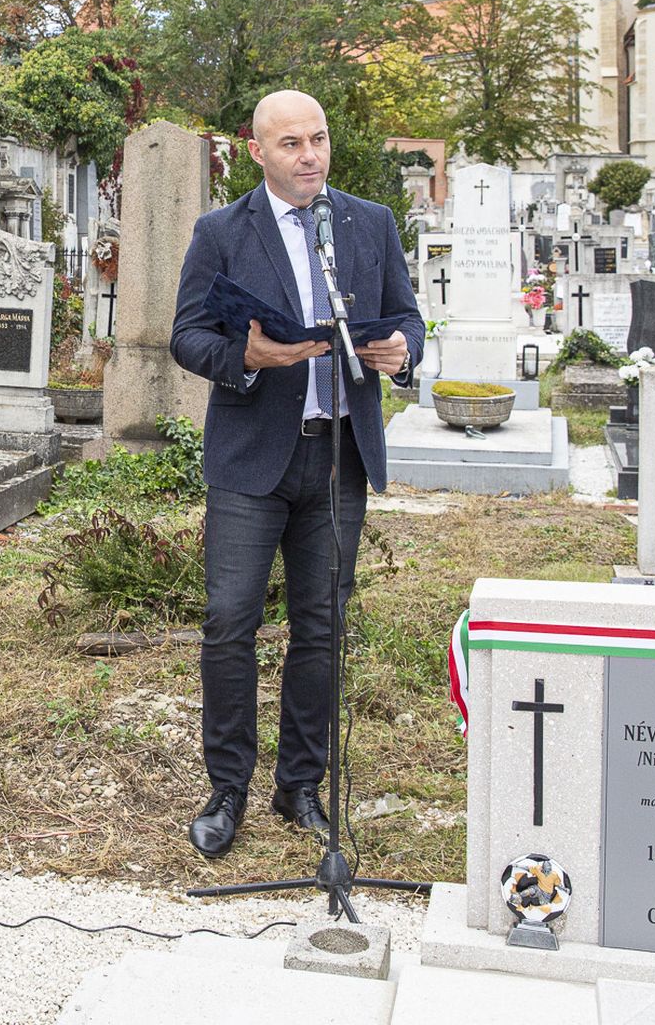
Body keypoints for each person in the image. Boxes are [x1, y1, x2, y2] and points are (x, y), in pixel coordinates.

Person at [168, 88, 424, 859]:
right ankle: (228, 787)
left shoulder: (368, 222)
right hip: (253, 459)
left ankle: (301, 785)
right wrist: (246, 358)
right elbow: (186, 336)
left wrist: (402, 352)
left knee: (322, 625)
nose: (309, 155)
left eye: (318, 140)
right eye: (291, 144)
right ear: (257, 152)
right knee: (229, 623)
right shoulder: (221, 231)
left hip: (340, 452)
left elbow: (406, 316)